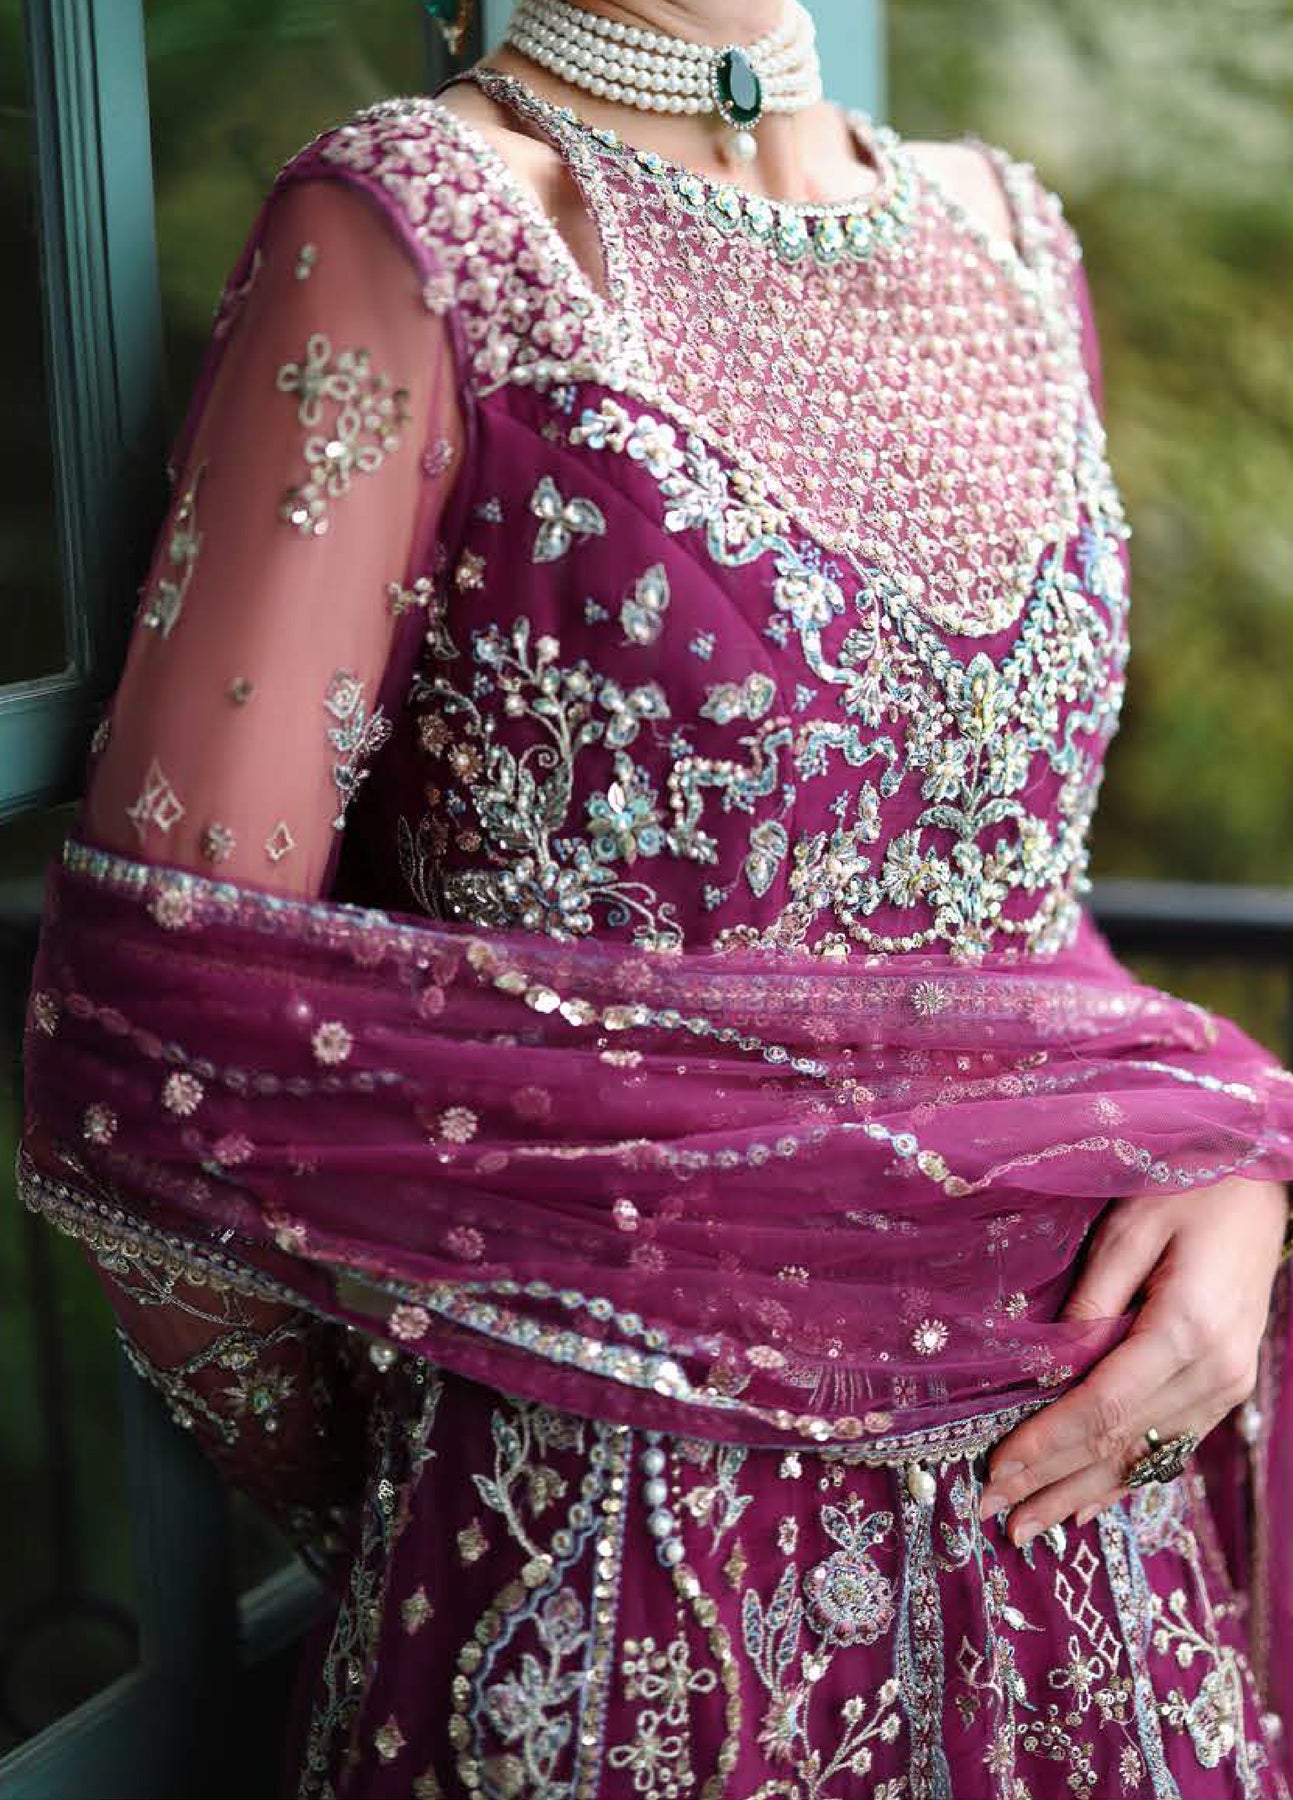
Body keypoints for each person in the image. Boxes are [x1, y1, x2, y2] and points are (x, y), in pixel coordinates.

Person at [17, 2, 1293, 1793]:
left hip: (1081, 1576)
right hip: (622, 1591)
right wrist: (440, 1467)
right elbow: (156, 1046)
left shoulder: (1008, 238)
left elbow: (1017, 937)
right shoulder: (420, 229)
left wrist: (1221, 1165)